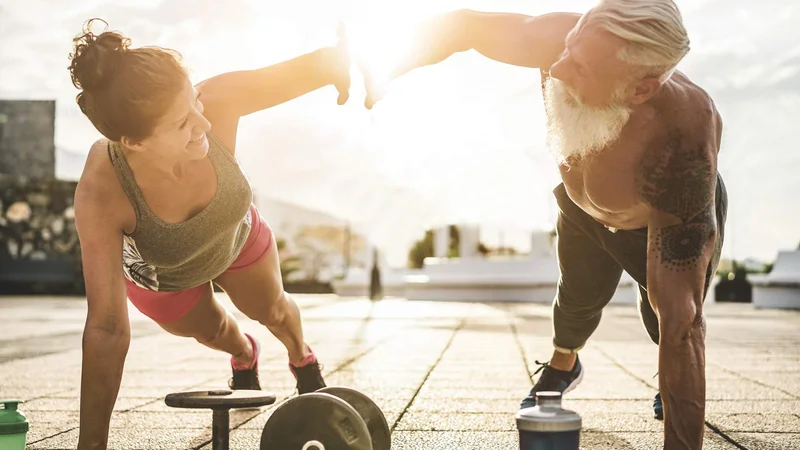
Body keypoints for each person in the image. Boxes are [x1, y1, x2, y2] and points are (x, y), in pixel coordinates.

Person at [364, 1, 727, 448]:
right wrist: (382, 65)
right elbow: (463, 27)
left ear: (640, 90)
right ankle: (562, 364)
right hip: (581, 207)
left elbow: (682, 325)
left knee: (664, 316)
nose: (555, 69)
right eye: (569, 48)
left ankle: (666, 388)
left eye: (581, 68)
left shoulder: (683, 140)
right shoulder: (560, 41)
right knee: (575, 300)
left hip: (653, 216)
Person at [68, 19, 349, 449]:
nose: (203, 123)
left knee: (273, 309)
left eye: (194, 101)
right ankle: (244, 354)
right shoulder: (102, 188)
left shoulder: (216, 103)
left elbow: (312, 68)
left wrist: (345, 63)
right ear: (134, 143)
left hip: (234, 235)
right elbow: (107, 327)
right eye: (182, 123)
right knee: (216, 331)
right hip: (163, 274)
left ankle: (301, 358)